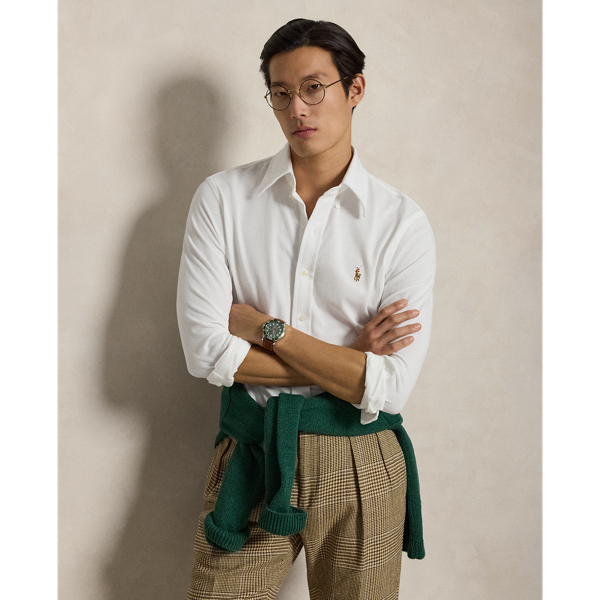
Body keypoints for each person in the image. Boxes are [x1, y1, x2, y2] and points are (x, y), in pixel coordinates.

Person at [177, 17, 436, 600]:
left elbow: (390, 388)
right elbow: (205, 354)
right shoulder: (223, 200)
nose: (297, 108)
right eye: (281, 92)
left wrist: (265, 330)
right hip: (253, 450)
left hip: (361, 459)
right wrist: (349, 360)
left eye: (314, 88)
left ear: (355, 88)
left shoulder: (401, 224)